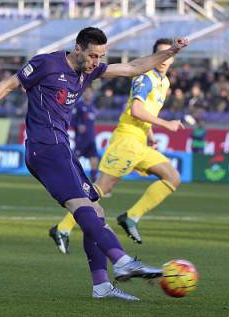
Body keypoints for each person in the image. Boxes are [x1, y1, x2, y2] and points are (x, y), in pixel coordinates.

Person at [0, 28, 188, 301]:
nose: (95, 61)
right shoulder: (47, 63)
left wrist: (171, 51)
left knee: (96, 209)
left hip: (61, 148)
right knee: (80, 206)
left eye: (101, 56)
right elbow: (9, 84)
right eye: (92, 55)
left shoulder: (88, 71)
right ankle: (122, 260)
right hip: (45, 147)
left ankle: (101, 285)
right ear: (77, 49)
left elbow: (134, 67)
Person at [50, 38, 185, 249]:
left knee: (172, 177)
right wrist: (166, 124)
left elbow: (145, 112)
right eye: (162, 53)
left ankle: (130, 217)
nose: (166, 58)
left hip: (140, 141)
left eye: (170, 54)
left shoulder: (164, 82)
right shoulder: (146, 77)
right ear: (155, 55)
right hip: (127, 140)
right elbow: (136, 110)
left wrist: (149, 135)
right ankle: (62, 228)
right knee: (100, 189)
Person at [71, 86, 99, 182]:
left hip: (91, 138)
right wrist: (78, 126)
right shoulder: (78, 106)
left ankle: (94, 179)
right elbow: (71, 119)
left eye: (90, 93)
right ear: (83, 94)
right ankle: (71, 177)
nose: (88, 94)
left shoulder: (92, 107)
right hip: (81, 138)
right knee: (74, 159)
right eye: (86, 92)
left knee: (94, 157)